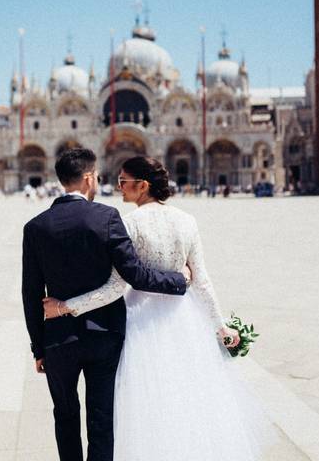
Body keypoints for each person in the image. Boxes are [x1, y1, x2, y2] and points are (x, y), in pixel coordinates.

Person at [43, 156, 273, 460]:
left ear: (143, 185)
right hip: (183, 319)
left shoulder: (127, 223)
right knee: (187, 398)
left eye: (124, 181)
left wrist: (65, 306)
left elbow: (116, 287)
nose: (119, 187)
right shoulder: (187, 220)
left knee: (143, 404)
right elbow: (202, 280)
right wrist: (220, 326)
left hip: (140, 320)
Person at [21, 148, 191, 461]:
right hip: (104, 336)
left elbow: (30, 292)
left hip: (58, 339)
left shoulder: (35, 227)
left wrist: (38, 348)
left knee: (65, 415)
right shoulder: (106, 217)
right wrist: (179, 280)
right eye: (97, 176)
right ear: (88, 179)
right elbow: (135, 276)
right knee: (101, 418)